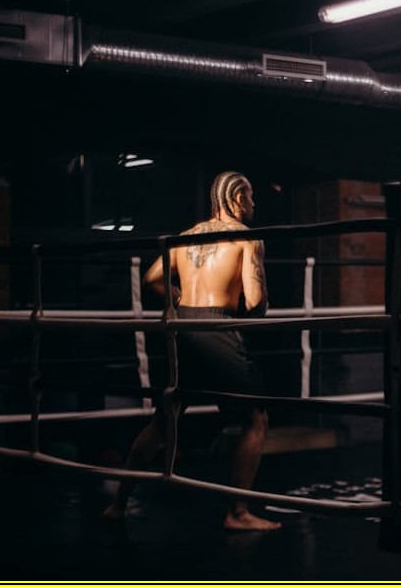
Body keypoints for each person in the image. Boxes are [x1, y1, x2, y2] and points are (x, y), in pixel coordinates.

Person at [103, 171, 280, 531]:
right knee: (256, 418)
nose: (254, 203)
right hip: (217, 327)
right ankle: (237, 513)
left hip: (182, 325)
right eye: (250, 195)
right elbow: (256, 303)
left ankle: (118, 504)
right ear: (237, 198)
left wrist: (182, 296)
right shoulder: (246, 238)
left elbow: (152, 278)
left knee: (165, 417)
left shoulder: (186, 237)